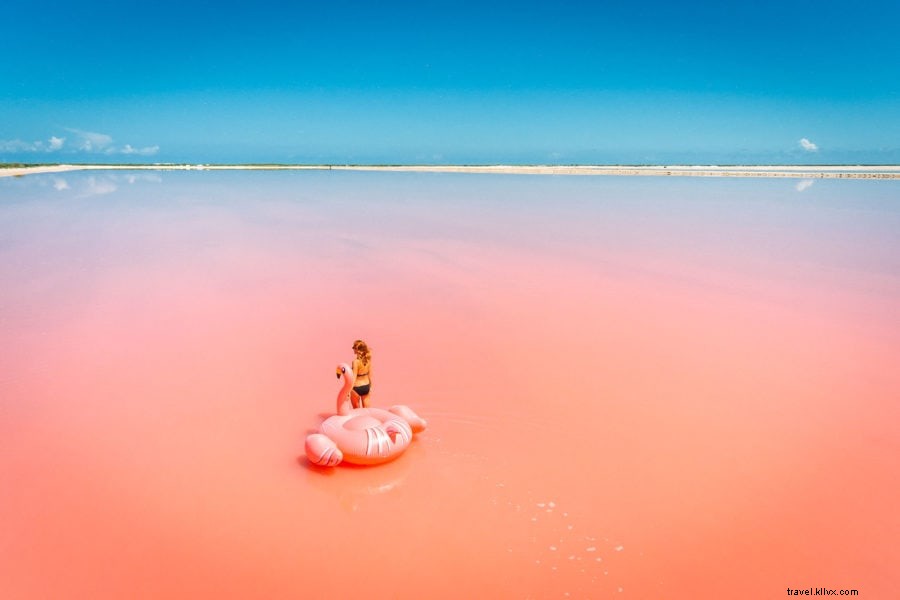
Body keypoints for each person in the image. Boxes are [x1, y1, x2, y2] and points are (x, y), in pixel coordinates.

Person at [350, 339, 373, 408]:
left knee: (357, 411)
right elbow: (370, 375)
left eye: (354, 347)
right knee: (367, 410)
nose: (353, 349)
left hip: (356, 387)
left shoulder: (355, 362)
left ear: (357, 349)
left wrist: (349, 390)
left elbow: (354, 377)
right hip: (366, 386)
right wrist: (370, 387)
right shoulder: (368, 360)